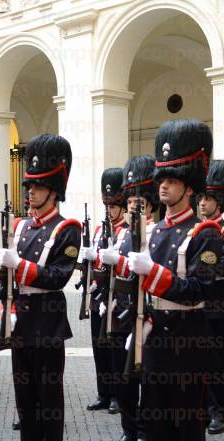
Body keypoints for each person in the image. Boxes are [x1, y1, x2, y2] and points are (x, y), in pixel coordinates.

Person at [128, 119, 220, 441]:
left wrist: (153, 273)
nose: (163, 187)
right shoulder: (152, 232)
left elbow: (198, 289)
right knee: (157, 428)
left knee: (187, 432)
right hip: (155, 341)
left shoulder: (204, 233)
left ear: (189, 187)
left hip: (187, 341)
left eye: (173, 180)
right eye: (162, 179)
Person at [0, 134, 81, 441]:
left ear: (54, 189)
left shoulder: (67, 228)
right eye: (29, 185)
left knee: (49, 402)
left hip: (47, 324)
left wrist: (20, 266)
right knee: (25, 401)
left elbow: (59, 276)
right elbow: (9, 279)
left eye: (38, 185)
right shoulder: (19, 227)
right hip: (21, 325)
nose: (30, 191)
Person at [99, 155, 158, 441]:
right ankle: (129, 429)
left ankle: (146, 434)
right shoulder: (123, 232)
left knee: (144, 379)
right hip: (122, 314)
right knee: (123, 380)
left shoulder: (156, 231)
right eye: (131, 199)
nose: (134, 205)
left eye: (139, 200)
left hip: (147, 317)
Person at [82, 168, 127, 415]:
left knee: (113, 348)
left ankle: (118, 396)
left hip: (115, 296)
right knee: (98, 346)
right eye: (107, 206)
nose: (109, 211)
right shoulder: (100, 230)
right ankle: (104, 392)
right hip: (98, 293)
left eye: (114, 206)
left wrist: (103, 257)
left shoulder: (126, 231)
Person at [198, 159, 224, 435]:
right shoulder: (197, 231)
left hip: (219, 307)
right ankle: (205, 407)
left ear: (219, 202)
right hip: (197, 306)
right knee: (199, 361)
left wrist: (204, 267)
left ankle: (220, 410)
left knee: (218, 361)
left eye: (208, 199)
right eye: (201, 198)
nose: (202, 203)